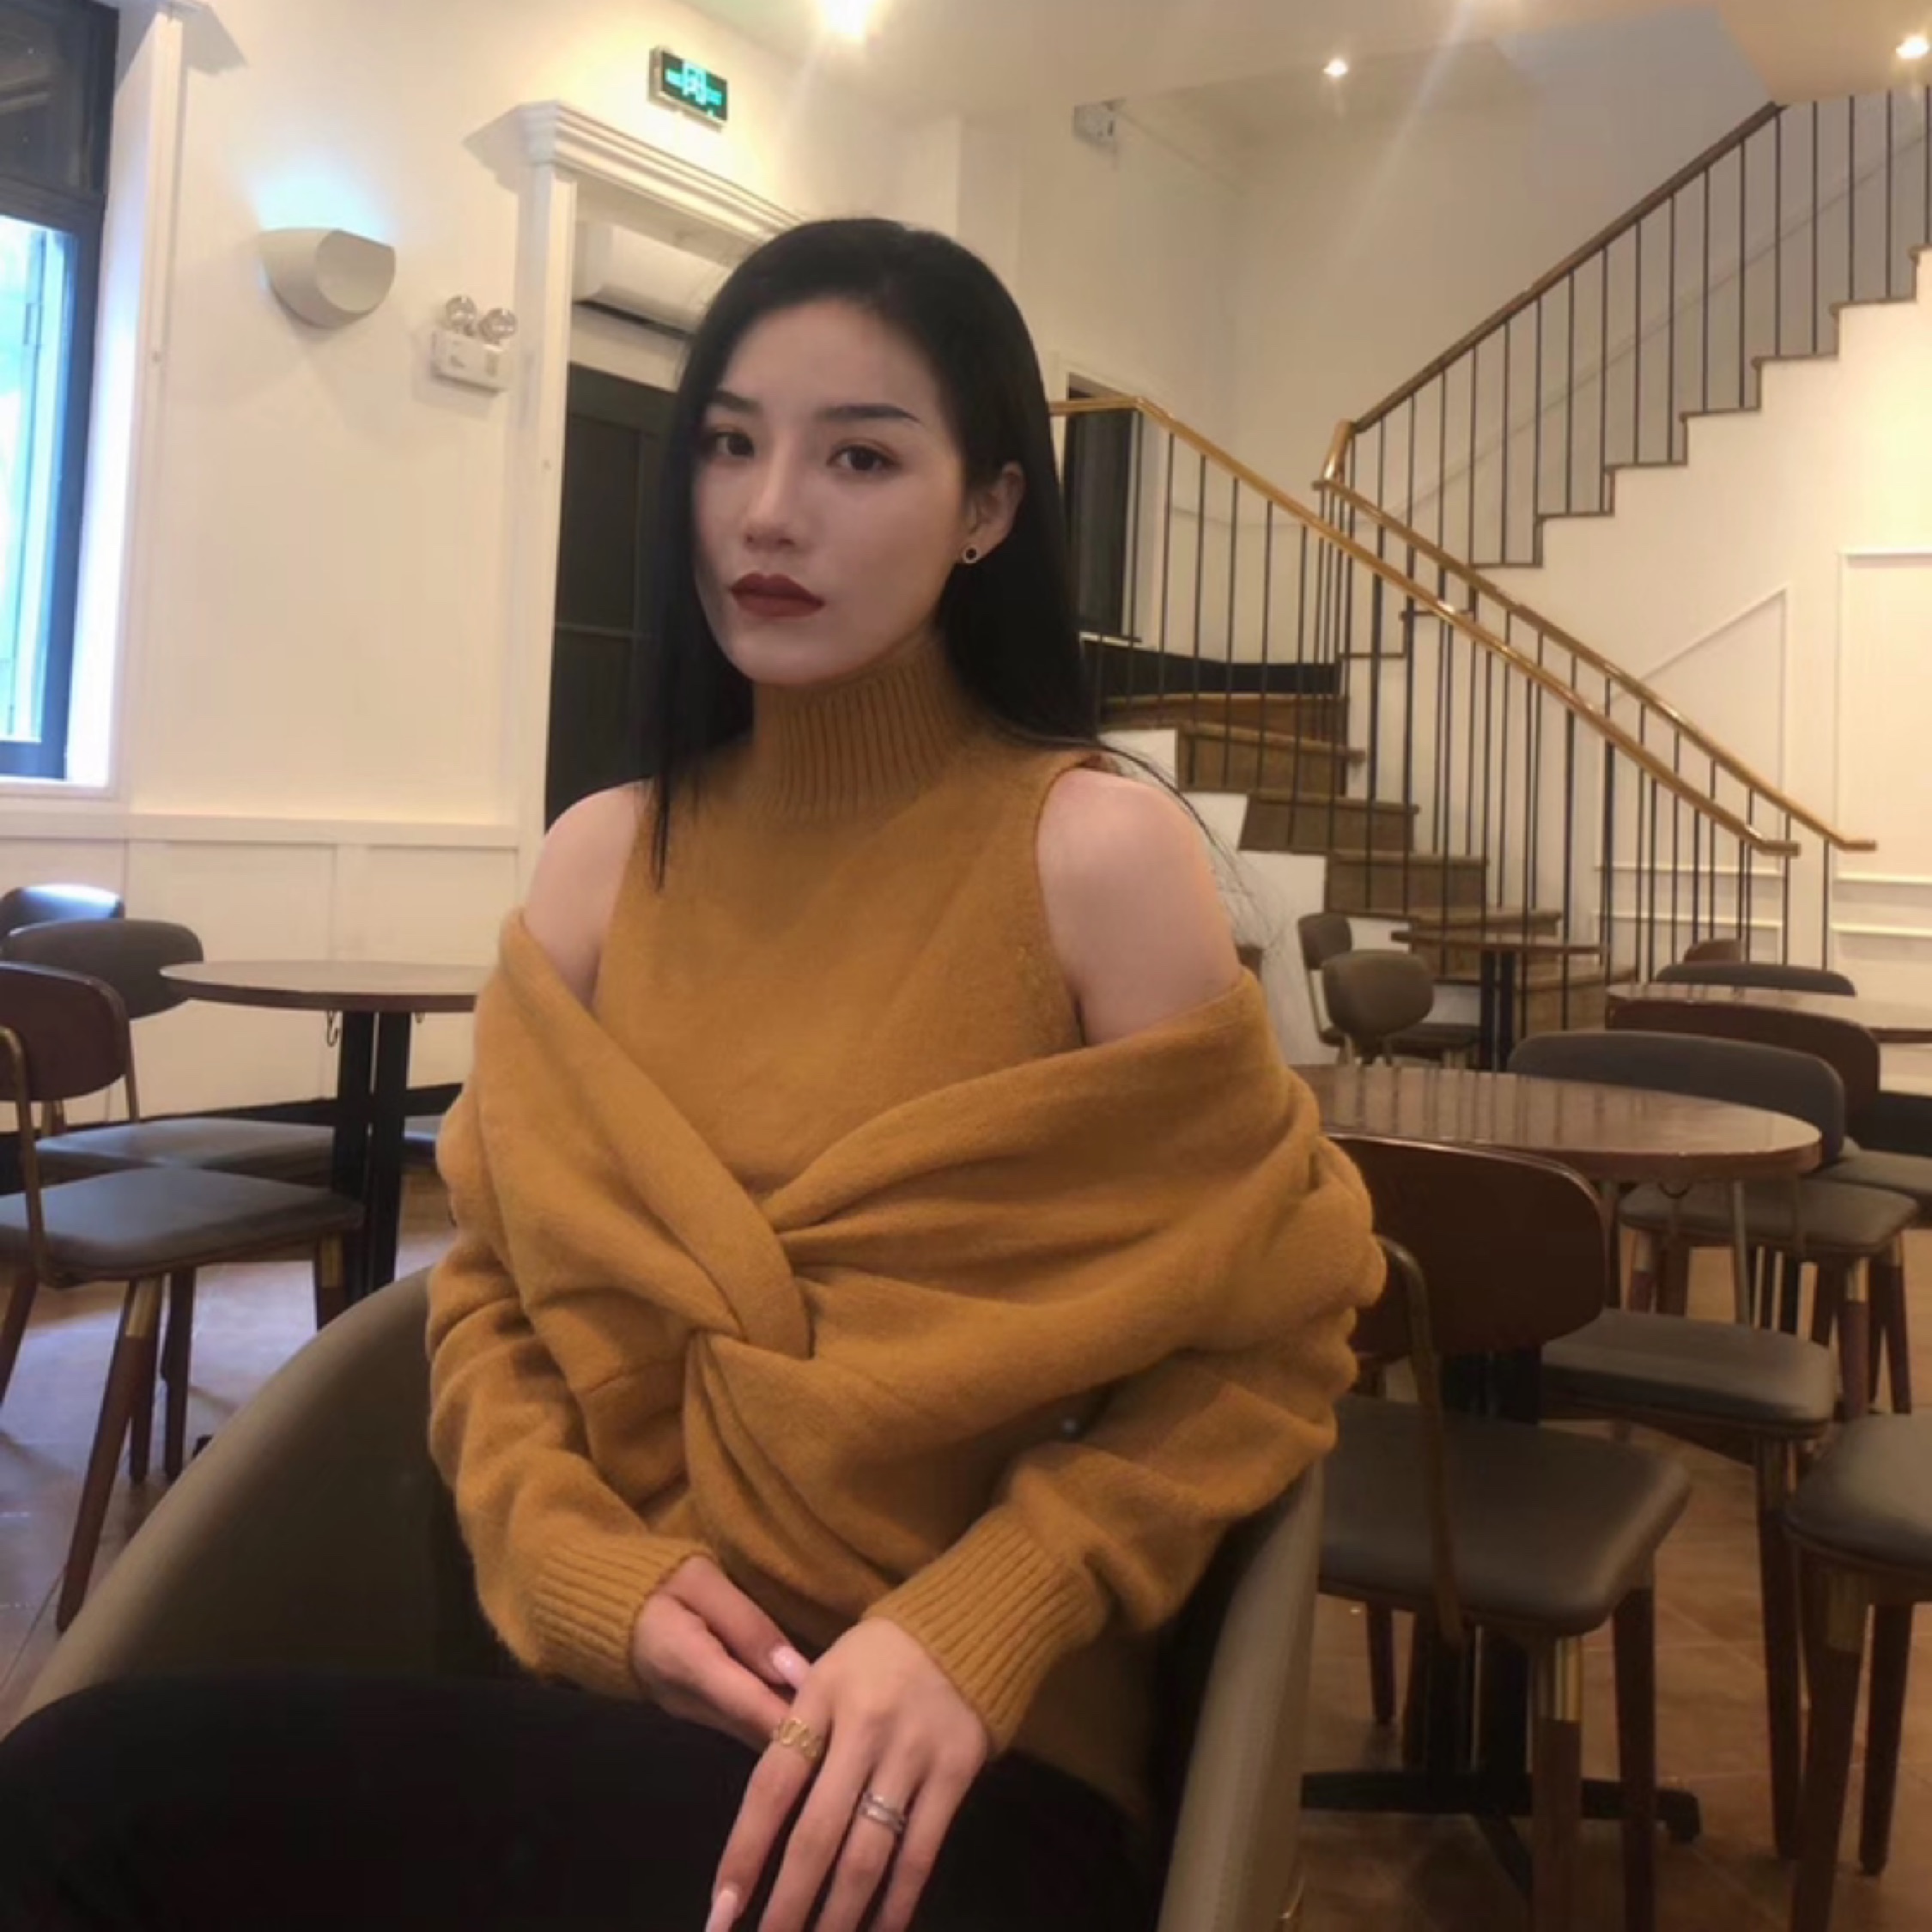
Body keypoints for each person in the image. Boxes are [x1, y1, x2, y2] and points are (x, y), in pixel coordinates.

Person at [0, 219, 1381, 1932]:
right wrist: (588, 1576)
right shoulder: (601, 861)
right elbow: (491, 1303)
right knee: (65, 1799)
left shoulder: (1093, 854)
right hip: (607, 1709)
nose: (766, 512)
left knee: (85, 1816)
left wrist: (986, 1615)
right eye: (729, 443)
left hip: (951, 1780)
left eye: (858, 455)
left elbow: (1271, 1335)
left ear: (988, 509)